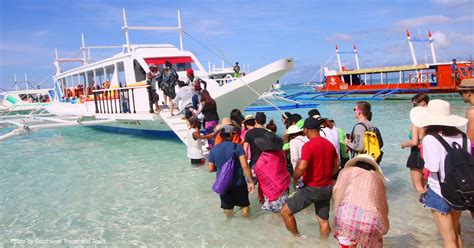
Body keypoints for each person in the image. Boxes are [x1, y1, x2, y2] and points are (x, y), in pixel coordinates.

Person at [410, 99, 469, 248]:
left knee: (448, 238)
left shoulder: (430, 138)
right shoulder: (463, 136)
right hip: (461, 190)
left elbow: (432, 167)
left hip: (439, 190)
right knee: (455, 232)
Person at [280, 117, 340, 237]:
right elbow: (337, 165)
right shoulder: (329, 144)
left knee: (285, 212)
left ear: (306, 130)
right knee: (323, 220)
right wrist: (327, 176)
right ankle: (323, 244)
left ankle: (296, 239)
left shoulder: (308, 146)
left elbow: (301, 167)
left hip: (311, 188)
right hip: (326, 188)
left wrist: (295, 178)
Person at [333, 154, 389, 248]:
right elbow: (382, 205)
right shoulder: (376, 177)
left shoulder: (345, 172)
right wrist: (385, 226)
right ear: (372, 167)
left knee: (347, 245)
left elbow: (337, 193)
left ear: (355, 163)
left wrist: (337, 215)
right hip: (369, 221)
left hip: (346, 217)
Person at [208, 125, 255, 218]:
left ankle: (230, 228)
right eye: (234, 133)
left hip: (223, 183)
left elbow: (210, 169)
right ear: (230, 134)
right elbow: (245, 166)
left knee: (228, 209)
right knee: (244, 206)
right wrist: (251, 182)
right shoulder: (237, 147)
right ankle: (246, 225)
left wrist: (221, 168)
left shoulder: (214, 149)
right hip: (239, 183)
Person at [400, 93, 429, 195]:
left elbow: (414, 142)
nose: (413, 108)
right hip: (429, 154)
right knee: (427, 186)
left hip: (417, 154)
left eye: (414, 105)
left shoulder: (417, 121)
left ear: (423, 103)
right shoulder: (433, 120)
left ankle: (421, 207)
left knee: (419, 188)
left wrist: (403, 144)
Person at [457, 79, 474, 148]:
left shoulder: (471, 112)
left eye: (461, 93)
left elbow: (471, 142)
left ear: (468, 92)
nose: (461, 96)